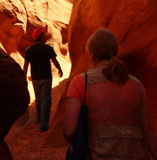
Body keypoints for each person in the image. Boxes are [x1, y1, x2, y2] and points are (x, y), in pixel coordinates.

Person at [64, 28, 157, 159]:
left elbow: (69, 131)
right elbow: (149, 133)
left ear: (91, 53)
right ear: (115, 51)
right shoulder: (136, 84)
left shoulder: (81, 82)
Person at [24, 28, 63, 132]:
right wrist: (59, 69)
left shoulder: (29, 50)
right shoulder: (47, 48)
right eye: (44, 35)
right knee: (46, 100)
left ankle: (39, 118)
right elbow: (54, 61)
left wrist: (24, 77)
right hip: (46, 78)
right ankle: (44, 125)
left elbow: (25, 65)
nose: (46, 37)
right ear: (40, 37)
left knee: (39, 99)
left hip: (35, 79)